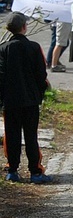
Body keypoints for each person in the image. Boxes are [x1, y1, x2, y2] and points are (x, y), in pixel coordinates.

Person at [1, 12, 51, 184]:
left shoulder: (3, 49)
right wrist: (40, 93)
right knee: (31, 135)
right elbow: (41, 75)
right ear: (24, 27)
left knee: (12, 134)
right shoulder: (34, 47)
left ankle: (12, 169)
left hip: (10, 100)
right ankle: (35, 171)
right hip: (30, 100)